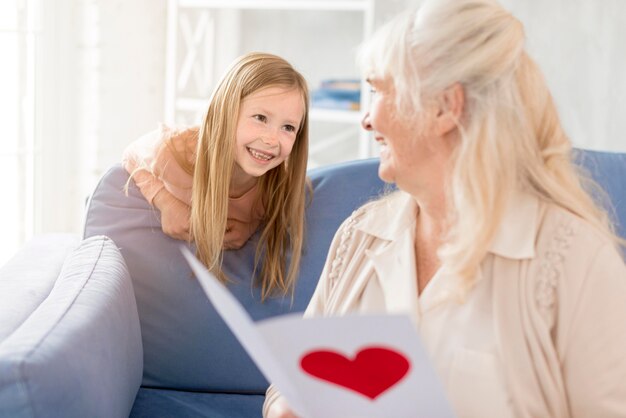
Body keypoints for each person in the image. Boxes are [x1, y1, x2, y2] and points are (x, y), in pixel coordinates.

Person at [263, 0, 626, 417]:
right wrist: (289, 408)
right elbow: (285, 386)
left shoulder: (575, 260)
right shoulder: (359, 236)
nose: (366, 118)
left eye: (380, 91)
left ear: (444, 108)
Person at [123, 52, 310, 300]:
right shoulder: (175, 151)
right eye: (260, 118)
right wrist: (166, 203)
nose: (272, 139)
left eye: (288, 127)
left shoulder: (281, 184)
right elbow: (131, 154)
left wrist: (252, 225)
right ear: (225, 113)